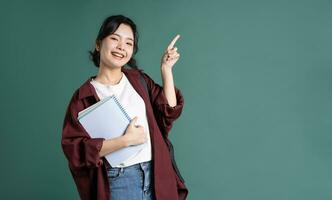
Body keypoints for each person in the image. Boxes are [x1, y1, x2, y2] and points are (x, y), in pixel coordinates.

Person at [61, 15, 188, 200]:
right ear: (98, 44)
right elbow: (75, 150)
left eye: (129, 43)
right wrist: (125, 141)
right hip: (119, 181)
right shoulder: (83, 97)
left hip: (157, 174)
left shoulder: (139, 81)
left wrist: (166, 70)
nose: (121, 47)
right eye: (114, 38)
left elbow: (168, 111)